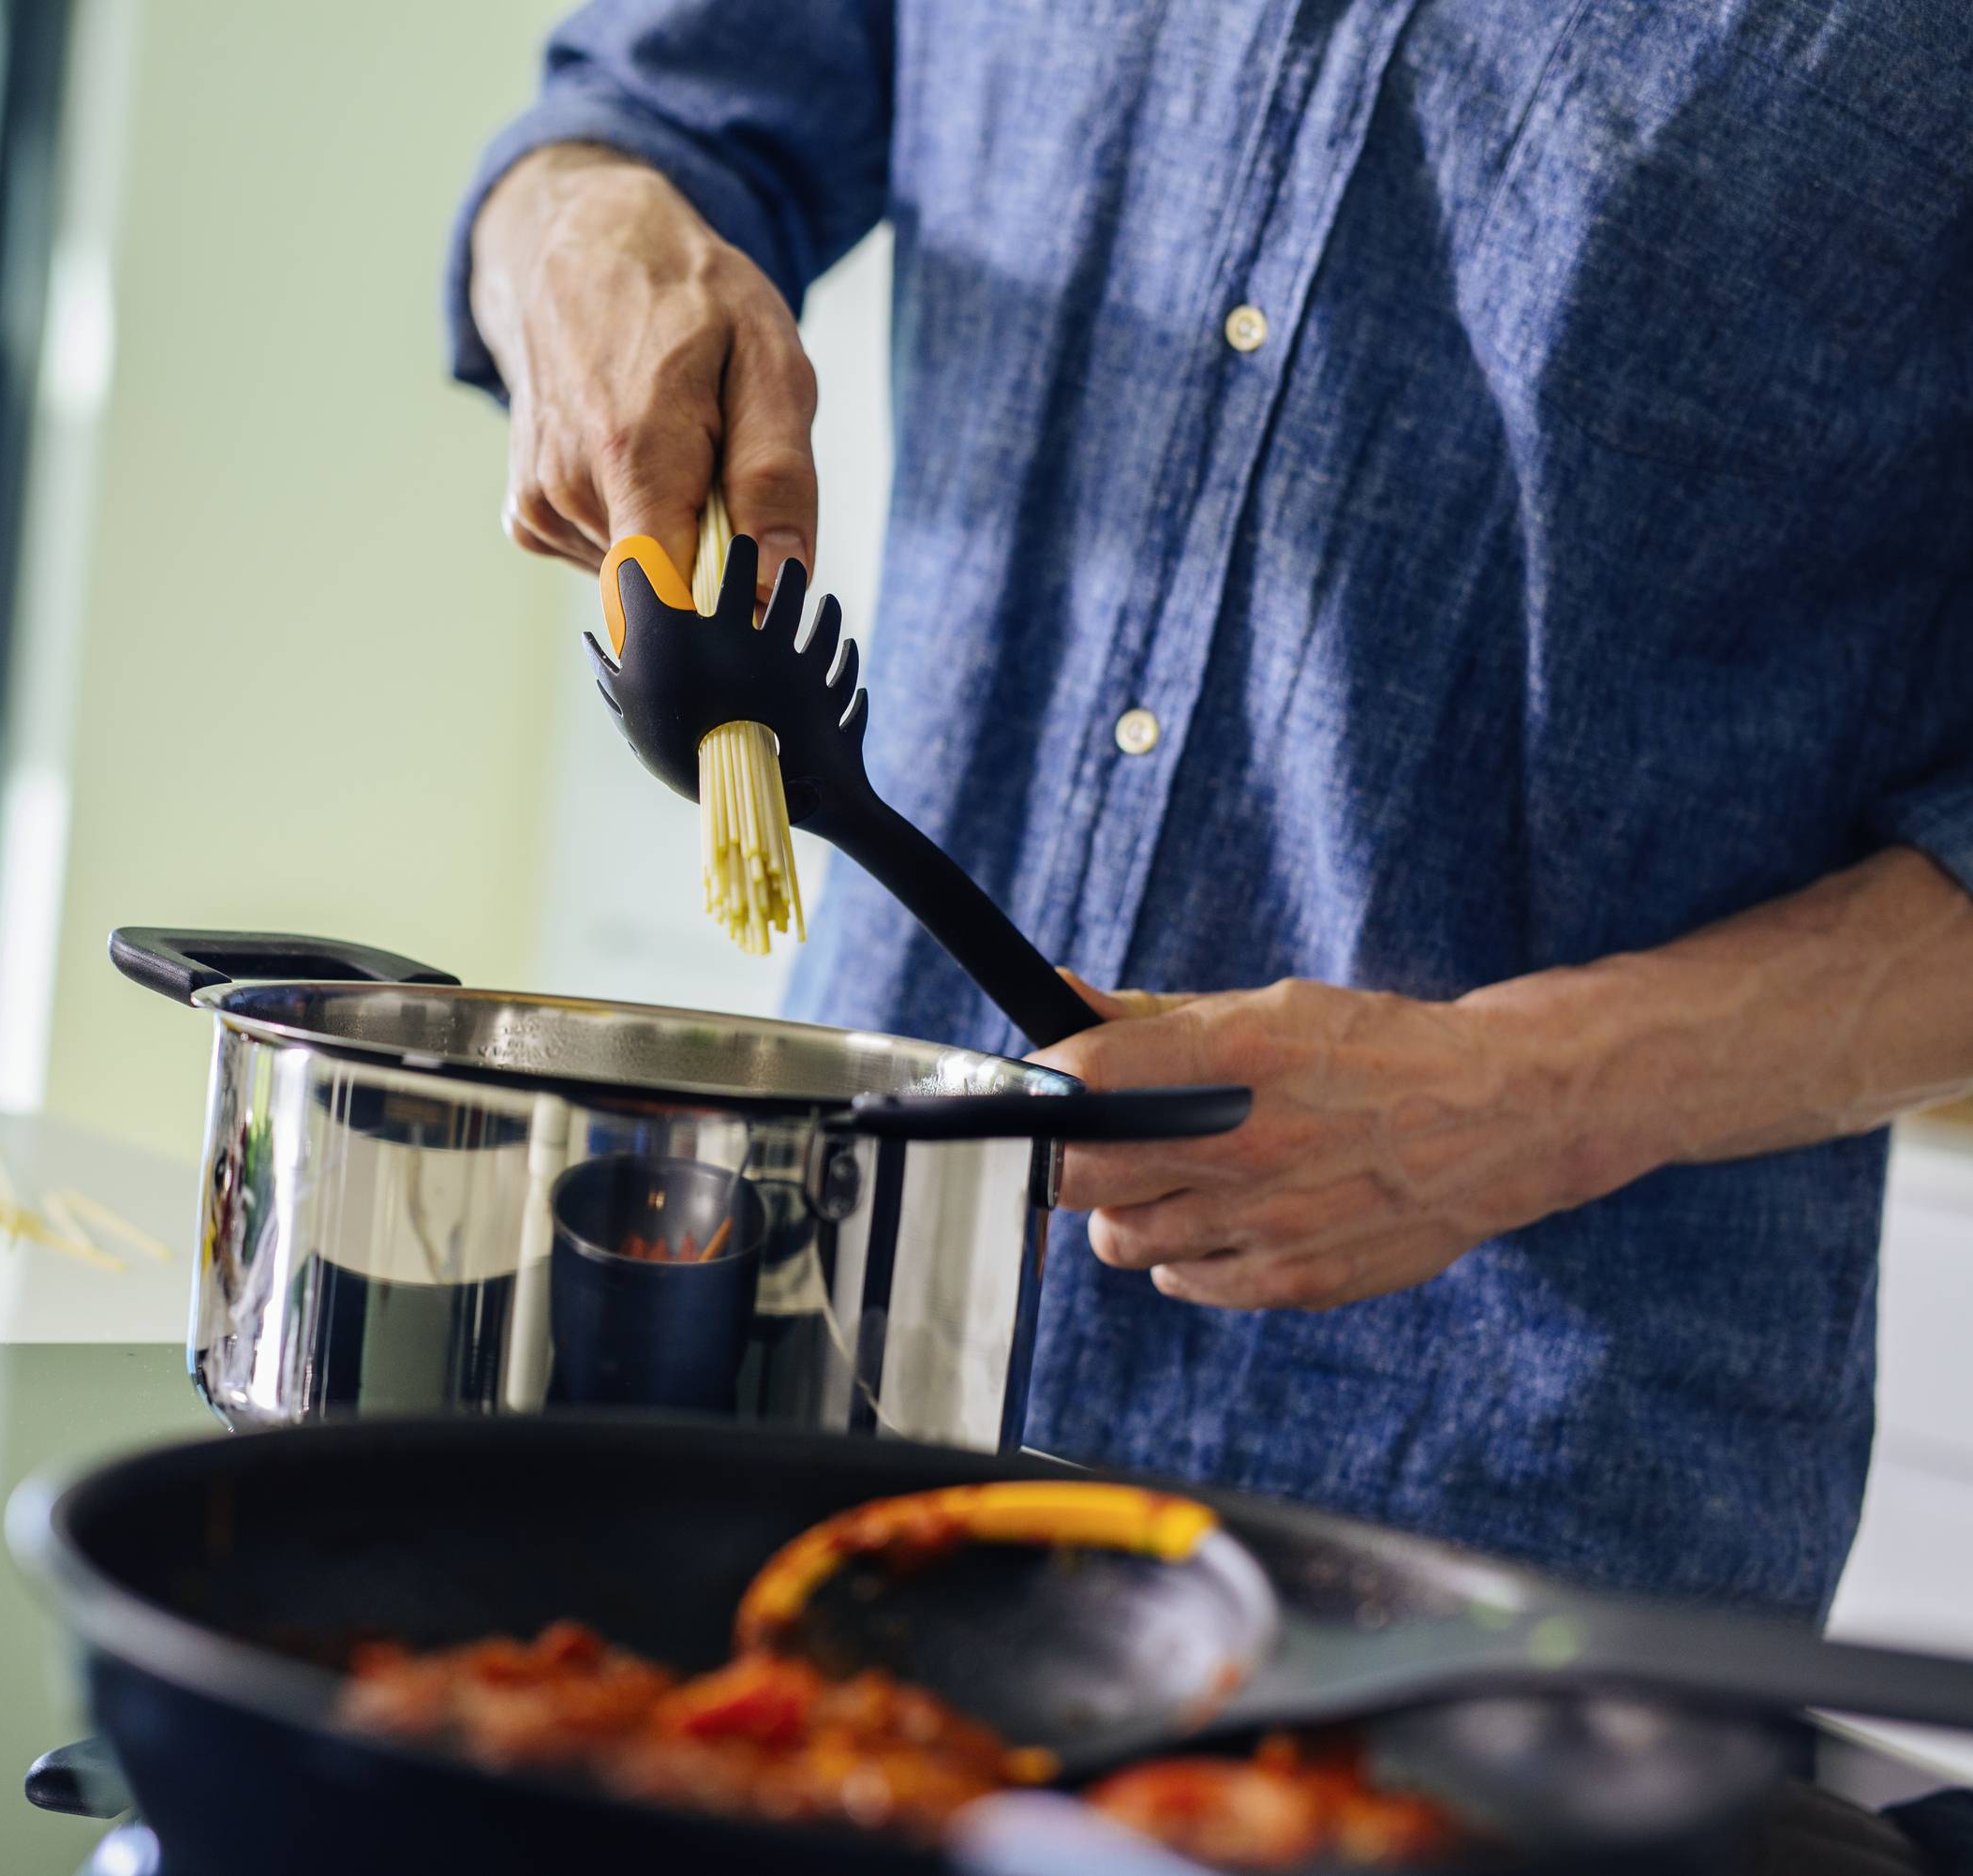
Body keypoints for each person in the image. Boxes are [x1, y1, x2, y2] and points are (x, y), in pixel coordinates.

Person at [448, 1, 1973, 1619]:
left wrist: (1529, 1093)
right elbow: (641, 114)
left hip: (1504, 1530)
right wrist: (584, 229)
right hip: (835, 1352)